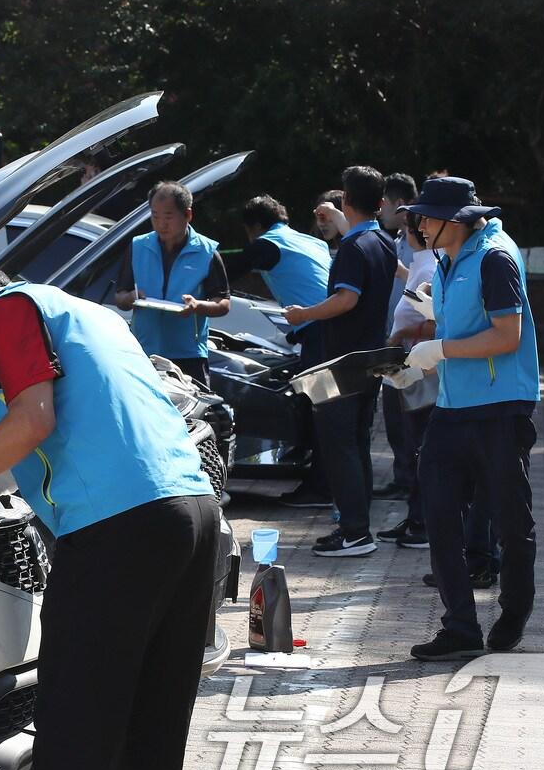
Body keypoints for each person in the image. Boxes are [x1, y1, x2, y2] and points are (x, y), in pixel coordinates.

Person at [0, 260, 218, 770]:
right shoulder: (89, 314)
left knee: (77, 726)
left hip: (120, 527)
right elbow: (69, 427)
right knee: (153, 725)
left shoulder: (8, 309)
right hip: (191, 511)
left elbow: (33, 421)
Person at [392, 177, 539, 661]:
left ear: (455, 220)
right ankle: (459, 626)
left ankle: (514, 610)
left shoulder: (495, 257)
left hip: (500, 408)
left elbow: (507, 336)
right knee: (438, 513)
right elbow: (464, 320)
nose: (419, 224)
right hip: (453, 409)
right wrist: (427, 328)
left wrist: (440, 349)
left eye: (427, 217)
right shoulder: (451, 255)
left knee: (510, 522)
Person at [284, 167, 397, 556]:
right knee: (358, 442)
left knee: (339, 444)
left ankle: (353, 532)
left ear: (347, 201)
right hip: (370, 358)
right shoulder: (383, 241)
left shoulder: (352, 248)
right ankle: (359, 527)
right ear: (381, 204)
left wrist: (304, 315)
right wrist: (337, 218)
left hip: (343, 361)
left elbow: (346, 300)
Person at [115, 181, 231, 385]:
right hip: (143, 351)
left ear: (188, 215)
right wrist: (131, 298)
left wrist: (198, 306)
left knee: (191, 414)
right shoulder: (138, 246)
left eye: (168, 217)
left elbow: (223, 303)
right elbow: (120, 296)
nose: (161, 223)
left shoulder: (207, 252)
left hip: (188, 354)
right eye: (155, 215)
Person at [376, 209, 437, 548]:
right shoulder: (421, 264)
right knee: (410, 448)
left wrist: (402, 334)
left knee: (418, 448)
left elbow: (437, 321)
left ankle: (423, 522)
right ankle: (416, 517)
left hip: (419, 375)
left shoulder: (429, 267)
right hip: (407, 374)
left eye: (404, 228)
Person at [224, 193, 332, 369]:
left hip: (320, 330)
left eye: (247, 231)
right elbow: (314, 290)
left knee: (320, 393)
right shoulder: (313, 242)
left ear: (256, 226)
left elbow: (223, 276)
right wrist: (289, 339)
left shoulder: (266, 243)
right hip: (340, 319)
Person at [372, 173, 420, 502]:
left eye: (384, 204)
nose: (380, 211)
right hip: (394, 341)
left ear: (398, 204)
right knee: (393, 415)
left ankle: (412, 483)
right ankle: (404, 477)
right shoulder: (400, 239)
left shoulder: (421, 245)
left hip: (412, 346)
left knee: (408, 418)